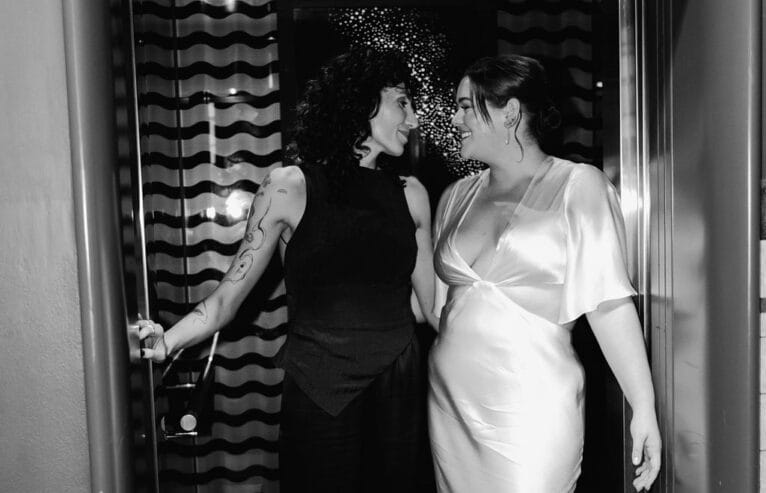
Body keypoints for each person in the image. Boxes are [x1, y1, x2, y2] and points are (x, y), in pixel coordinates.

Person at [138, 48, 437, 493]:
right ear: (361, 102)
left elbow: (429, 309)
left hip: (397, 382)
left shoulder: (411, 193)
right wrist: (168, 341)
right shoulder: (288, 186)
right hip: (318, 384)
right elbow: (226, 300)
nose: (413, 119)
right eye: (402, 102)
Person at [428, 54, 661, 492]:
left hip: (532, 408)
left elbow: (609, 306)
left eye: (465, 106)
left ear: (509, 112)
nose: (455, 119)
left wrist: (643, 406)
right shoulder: (454, 196)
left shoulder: (579, 186)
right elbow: (443, 312)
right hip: (450, 407)